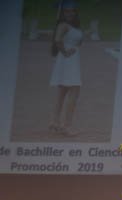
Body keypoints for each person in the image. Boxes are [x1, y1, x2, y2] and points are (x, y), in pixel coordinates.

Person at [49, 0, 82, 136]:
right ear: (62, 13)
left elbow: (75, 41)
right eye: (67, 11)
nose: (70, 13)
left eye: (72, 11)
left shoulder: (71, 26)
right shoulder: (63, 25)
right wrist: (65, 52)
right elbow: (57, 40)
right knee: (74, 91)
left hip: (70, 60)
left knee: (62, 92)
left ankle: (55, 123)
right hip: (68, 61)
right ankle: (66, 126)